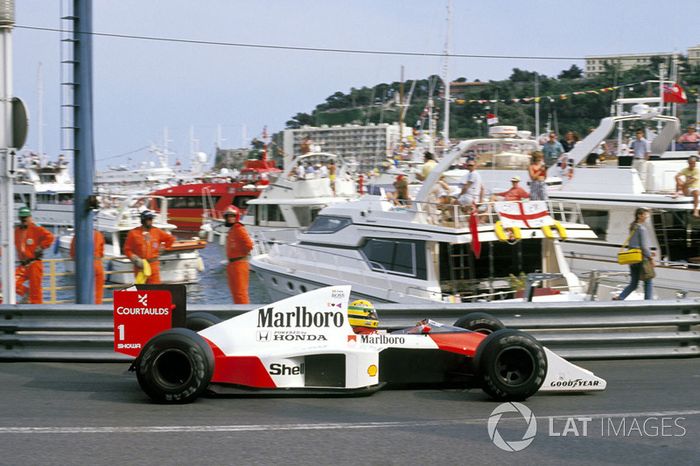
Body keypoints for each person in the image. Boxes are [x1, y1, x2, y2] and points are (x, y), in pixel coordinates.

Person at [14, 207, 55, 304]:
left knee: (36, 291)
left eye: (25, 217)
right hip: (23, 265)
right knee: (11, 283)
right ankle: (26, 293)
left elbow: (50, 237)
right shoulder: (17, 231)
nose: (23, 220)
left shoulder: (36, 228)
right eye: (21, 218)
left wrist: (41, 247)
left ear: (30, 217)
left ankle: (37, 312)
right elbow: (7, 244)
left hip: (34, 264)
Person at [124, 210, 175, 284]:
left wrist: (164, 247)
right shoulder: (133, 233)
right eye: (149, 219)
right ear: (143, 220)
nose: (151, 221)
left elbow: (171, 239)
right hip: (140, 267)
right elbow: (127, 250)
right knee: (141, 291)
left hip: (153, 266)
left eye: (151, 219)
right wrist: (135, 259)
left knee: (155, 291)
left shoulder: (157, 231)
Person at [614, 208, 654, 300]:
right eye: (646, 215)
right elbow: (644, 246)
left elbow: (634, 243)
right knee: (648, 280)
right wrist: (650, 257)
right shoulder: (642, 228)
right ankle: (648, 302)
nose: (647, 217)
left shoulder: (633, 226)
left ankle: (621, 297)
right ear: (639, 216)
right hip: (642, 258)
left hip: (632, 258)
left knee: (634, 283)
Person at [224, 206, 254, 304]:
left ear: (236, 216)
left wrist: (242, 254)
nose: (230, 218)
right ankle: (238, 311)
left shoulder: (238, 228)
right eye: (228, 216)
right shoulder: (233, 229)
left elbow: (249, 245)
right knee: (235, 292)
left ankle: (244, 313)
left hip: (239, 263)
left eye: (232, 216)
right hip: (233, 264)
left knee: (241, 292)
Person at [70, 229, 106, 304]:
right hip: (97, 264)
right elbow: (102, 253)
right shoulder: (98, 234)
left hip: (84, 266)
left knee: (83, 293)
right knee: (98, 293)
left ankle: (85, 311)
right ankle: (97, 310)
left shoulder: (77, 236)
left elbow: (73, 254)